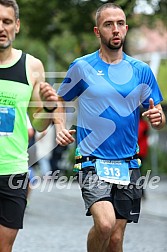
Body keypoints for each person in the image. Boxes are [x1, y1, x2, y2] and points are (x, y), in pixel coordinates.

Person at [54, 3, 166, 252]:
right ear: (97, 31)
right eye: (108, 24)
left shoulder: (141, 71)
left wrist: (158, 119)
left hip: (128, 162)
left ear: (125, 28)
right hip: (92, 160)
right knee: (105, 224)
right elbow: (60, 101)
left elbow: (156, 115)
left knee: (116, 239)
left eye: (119, 24)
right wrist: (60, 126)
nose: (115, 29)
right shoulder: (82, 67)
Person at [0, 1, 57, 251]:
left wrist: (49, 107)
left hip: (13, 170)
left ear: (17, 26)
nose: (1, 27)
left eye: (7, 21)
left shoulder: (32, 66)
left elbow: (38, 122)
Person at [138, 111, 150, 198]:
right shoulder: (144, 124)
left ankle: (141, 192)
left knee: (137, 172)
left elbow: (138, 135)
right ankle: (141, 192)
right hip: (142, 151)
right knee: (139, 172)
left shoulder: (141, 124)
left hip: (138, 152)